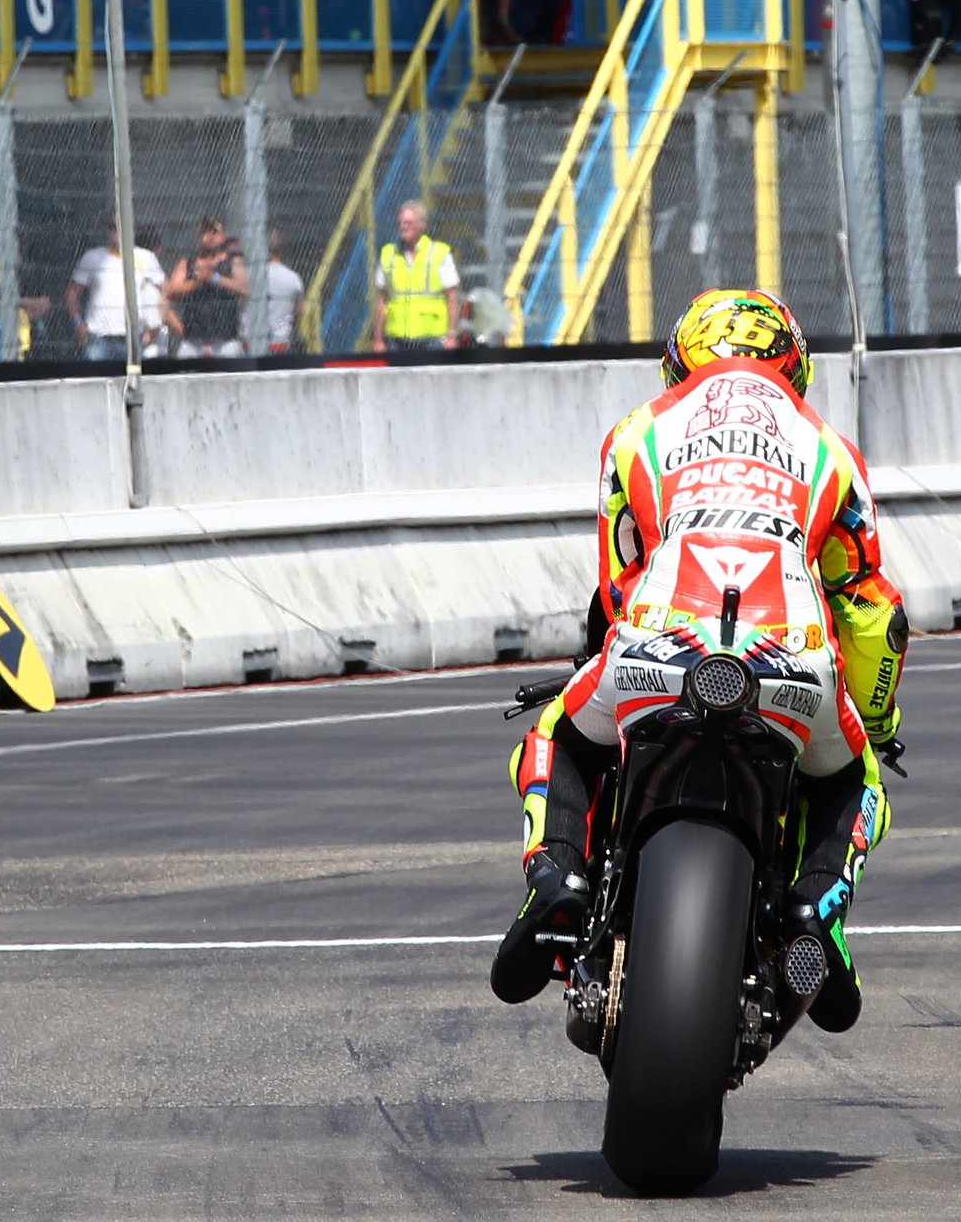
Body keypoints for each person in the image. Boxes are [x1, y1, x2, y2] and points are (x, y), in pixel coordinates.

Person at [490, 288, 907, 1035]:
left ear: (678, 362)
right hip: (792, 664)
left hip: (660, 644)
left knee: (558, 732)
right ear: (796, 367)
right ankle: (817, 915)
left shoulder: (637, 432)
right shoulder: (832, 450)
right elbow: (872, 610)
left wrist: (637, 650)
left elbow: (621, 578)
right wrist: (874, 720)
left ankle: (557, 873)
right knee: (855, 777)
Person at [65, 214, 173, 361]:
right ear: (106, 229)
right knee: (98, 382)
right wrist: (78, 323)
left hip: (135, 338)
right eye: (113, 227)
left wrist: (155, 324)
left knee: (135, 381)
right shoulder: (92, 257)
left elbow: (165, 289)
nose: (118, 231)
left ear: (132, 228)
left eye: (123, 226)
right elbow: (72, 293)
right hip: (98, 338)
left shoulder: (146, 257)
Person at [372, 199, 460, 354]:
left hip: (432, 340)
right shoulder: (388, 254)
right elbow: (381, 301)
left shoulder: (439, 253)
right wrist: (378, 340)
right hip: (396, 340)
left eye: (408, 222)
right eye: (400, 222)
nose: (403, 226)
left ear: (422, 225)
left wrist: (451, 336)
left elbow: (452, 298)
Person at [165, 216, 248, 357]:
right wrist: (196, 282)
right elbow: (171, 291)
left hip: (225, 339)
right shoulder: (188, 263)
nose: (210, 236)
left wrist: (213, 277)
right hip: (193, 340)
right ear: (199, 236)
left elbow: (244, 288)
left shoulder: (233, 260)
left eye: (214, 232)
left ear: (222, 235)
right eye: (205, 232)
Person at [265, 227, 304, 353]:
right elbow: (299, 310)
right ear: (281, 249)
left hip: (252, 344)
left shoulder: (252, 275)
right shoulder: (293, 278)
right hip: (281, 343)